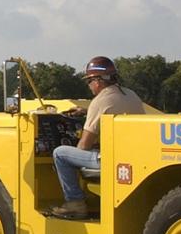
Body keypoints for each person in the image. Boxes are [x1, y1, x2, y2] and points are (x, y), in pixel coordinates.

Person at [50, 56, 145, 218]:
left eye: (89, 81)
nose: (89, 85)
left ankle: (75, 203)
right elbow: (113, 109)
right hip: (134, 157)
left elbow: (84, 145)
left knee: (60, 154)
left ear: (98, 81)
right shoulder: (131, 95)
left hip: (109, 160)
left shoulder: (100, 101)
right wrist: (87, 112)